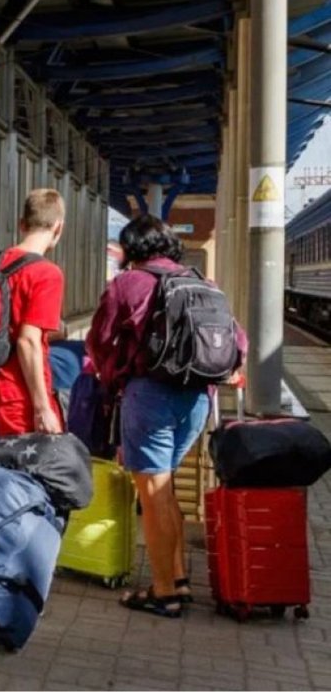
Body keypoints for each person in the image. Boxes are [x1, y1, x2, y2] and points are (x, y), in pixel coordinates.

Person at [86, 214, 245, 618]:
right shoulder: (205, 284)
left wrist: (109, 378)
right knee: (166, 487)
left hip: (150, 395)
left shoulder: (128, 283)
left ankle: (163, 593)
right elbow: (238, 342)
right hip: (197, 399)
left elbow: (99, 340)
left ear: (131, 249)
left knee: (153, 493)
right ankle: (177, 578)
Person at [0, 188, 67, 440]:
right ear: (58, 227)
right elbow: (28, 341)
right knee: (26, 465)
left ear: (22, 224)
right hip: (18, 395)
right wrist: (42, 407)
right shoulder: (47, 273)